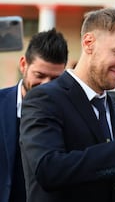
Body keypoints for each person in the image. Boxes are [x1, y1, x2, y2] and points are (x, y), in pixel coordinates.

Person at [19, 8, 115, 202]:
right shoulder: (44, 97)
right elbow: (48, 170)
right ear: (89, 43)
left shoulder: (112, 108)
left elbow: (108, 180)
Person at [0, 28, 68, 202]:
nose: (46, 85)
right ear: (23, 64)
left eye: (55, 79)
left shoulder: (69, 113)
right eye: (40, 75)